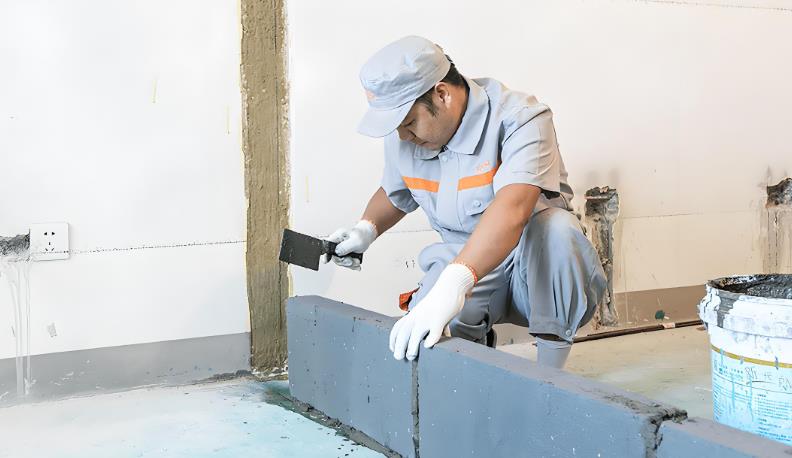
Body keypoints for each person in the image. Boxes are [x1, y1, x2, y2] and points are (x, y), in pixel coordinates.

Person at [327, 36, 606, 369]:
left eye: (409, 123)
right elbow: (395, 191)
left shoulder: (521, 118)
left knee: (556, 229)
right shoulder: (406, 134)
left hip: (531, 266)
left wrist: (454, 284)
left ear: (442, 94)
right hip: (463, 258)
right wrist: (366, 229)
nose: (402, 136)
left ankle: (550, 376)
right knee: (428, 332)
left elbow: (514, 209)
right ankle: (472, 348)